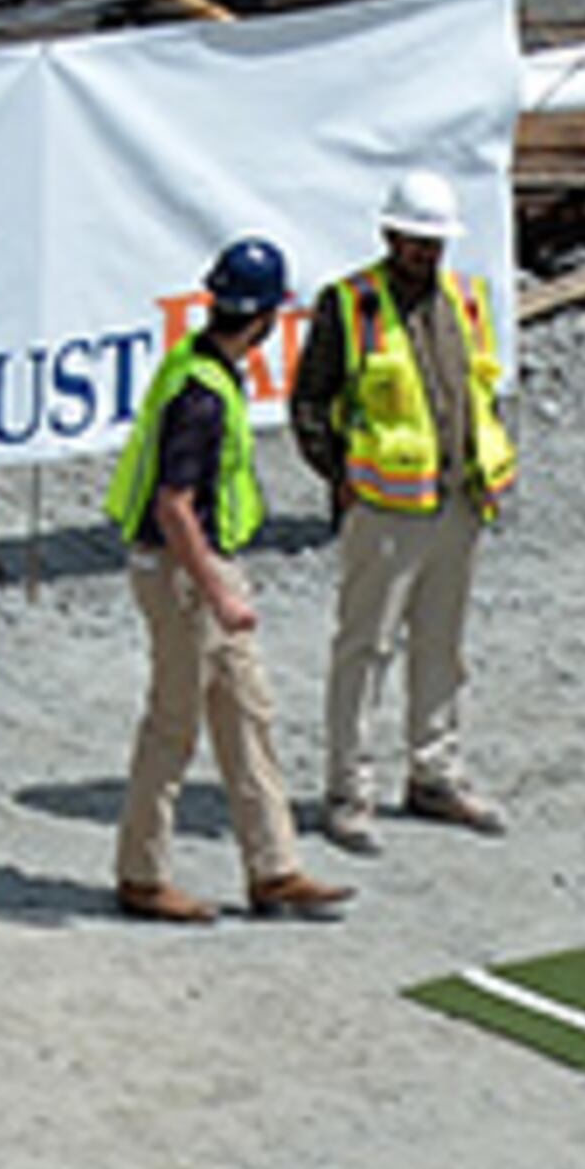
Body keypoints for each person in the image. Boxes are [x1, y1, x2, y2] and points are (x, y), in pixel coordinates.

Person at [108, 237, 349, 926]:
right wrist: (220, 592)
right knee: (173, 725)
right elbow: (174, 506)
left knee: (248, 715)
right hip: (186, 573)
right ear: (266, 318)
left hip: (202, 568)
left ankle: (274, 868)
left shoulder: (199, 367)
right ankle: (141, 875)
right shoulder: (202, 396)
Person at [292, 167, 516, 851]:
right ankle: (348, 790)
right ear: (389, 235)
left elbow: (482, 392)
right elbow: (310, 402)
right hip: (385, 507)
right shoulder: (350, 306)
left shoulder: (466, 299)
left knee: (441, 646)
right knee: (365, 648)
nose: (426, 251)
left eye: (435, 241)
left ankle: (434, 772)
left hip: (456, 500)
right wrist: (341, 477)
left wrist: (485, 468)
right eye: (416, 240)